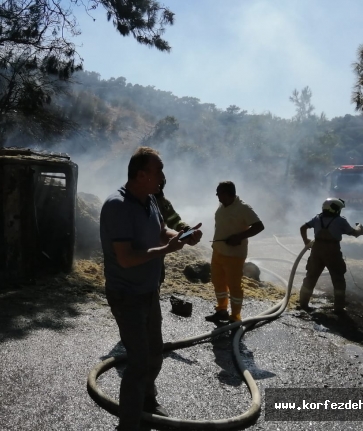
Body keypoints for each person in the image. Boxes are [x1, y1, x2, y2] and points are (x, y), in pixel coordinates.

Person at [99, 147, 202, 431]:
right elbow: (126, 258)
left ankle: (147, 400)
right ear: (142, 174)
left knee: (155, 352)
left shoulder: (150, 201)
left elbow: (161, 231)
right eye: (159, 170)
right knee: (138, 362)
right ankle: (129, 425)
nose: (163, 176)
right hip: (127, 294)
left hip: (148, 292)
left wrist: (182, 236)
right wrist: (166, 249)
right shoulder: (117, 206)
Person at [205, 181, 264, 323]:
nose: (217, 197)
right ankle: (221, 310)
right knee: (218, 282)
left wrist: (239, 237)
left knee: (234, 285)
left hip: (234, 255)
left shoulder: (243, 208)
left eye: (219, 194)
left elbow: (259, 226)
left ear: (228, 194)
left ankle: (235, 316)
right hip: (218, 252)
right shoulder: (222, 207)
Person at [298, 198, 363, 313]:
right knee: (338, 279)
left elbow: (303, 227)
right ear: (335, 209)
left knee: (310, 277)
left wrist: (306, 241)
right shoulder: (340, 221)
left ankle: (303, 304)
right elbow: (355, 233)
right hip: (332, 252)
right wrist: (360, 226)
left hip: (316, 251)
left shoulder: (317, 218)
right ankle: (339, 308)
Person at [154, 178, 190, 286]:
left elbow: (174, 220)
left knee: (156, 283)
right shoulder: (138, 201)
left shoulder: (163, 203)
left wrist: (187, 230)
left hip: (158, 254)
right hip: (140, 256)